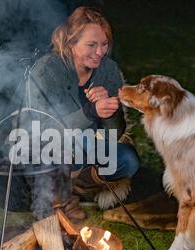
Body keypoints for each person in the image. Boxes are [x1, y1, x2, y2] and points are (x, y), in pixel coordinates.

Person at [27, 6, 140, 220]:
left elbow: (115, 134)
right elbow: (43, 128)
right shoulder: (45, 71)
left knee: (127, 160)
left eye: (104, 44)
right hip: (52, 143)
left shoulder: (108, 70)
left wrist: (109, 113)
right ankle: (60, 199)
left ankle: (74, 190)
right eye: (92, 45)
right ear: (70, 43)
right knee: (65, 147)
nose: (100, 52)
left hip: (91, 144)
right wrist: (90, 111)